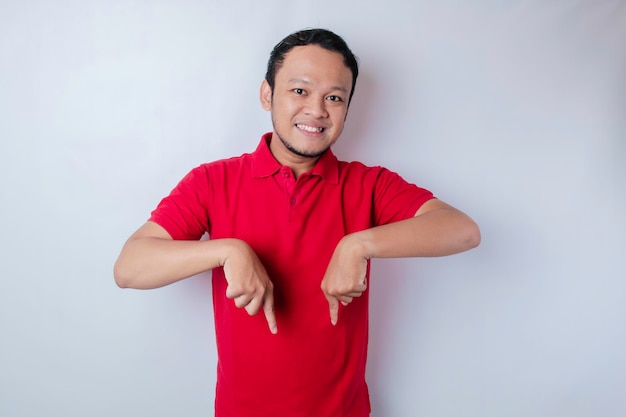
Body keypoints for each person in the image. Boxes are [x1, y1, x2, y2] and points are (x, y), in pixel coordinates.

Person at [114, 28, 480, 417]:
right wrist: (227, 250)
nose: (317, 110)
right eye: (300, 91)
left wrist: (358, 244)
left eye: (334, 98)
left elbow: (461, 230)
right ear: (267, 95)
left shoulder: (368, 184)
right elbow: (130, 267)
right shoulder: (213, 181)